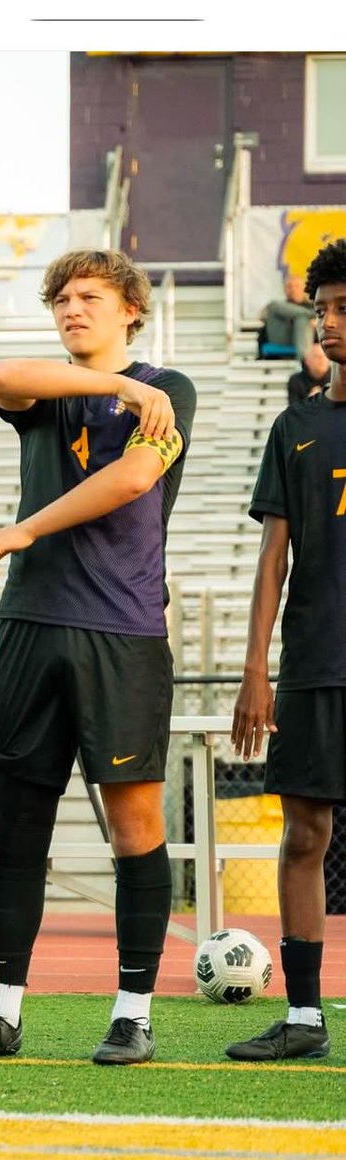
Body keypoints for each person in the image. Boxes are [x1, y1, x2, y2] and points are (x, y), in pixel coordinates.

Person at [0, 248, 196, 1067]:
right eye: (61, 299)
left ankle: (133, 1014)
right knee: (16, 823)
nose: (71, 309)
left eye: (89, 297)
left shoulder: (173, 390)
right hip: (32, 626)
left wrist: (24, 528)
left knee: (134, 826)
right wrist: (118, 386)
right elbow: (5, 375)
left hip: (120, 633)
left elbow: (127, 482)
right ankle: (1, 1014)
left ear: (131, 309)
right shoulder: (76, 389)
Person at [226, 237, 346, 1063]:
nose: (330, 323)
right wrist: (253, 668)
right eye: (324, 308)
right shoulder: (295, 426)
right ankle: (304, 1019)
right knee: (304, 836)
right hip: (314, 664)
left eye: (345, 308)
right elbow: (274, 558)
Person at [259, 273, 315, 360]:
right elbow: (262, 317)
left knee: (301, 319)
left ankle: (303, 359)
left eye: (296, 286)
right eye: (289, 286)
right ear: (285, 290)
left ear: (305, 289)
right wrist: (312, 316)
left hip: (308, 341)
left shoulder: (313, 306)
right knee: (273, 305)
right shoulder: (278, 307)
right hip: (281, 339)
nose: (293, 289)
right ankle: (304, 361)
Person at [286, 340, 331, 406]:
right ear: (306, 360)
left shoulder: (338, 379)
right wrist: (309, 402)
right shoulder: (296, 380)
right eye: (317, 357)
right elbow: (293, 411)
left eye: (324, 356)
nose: (322, 360)